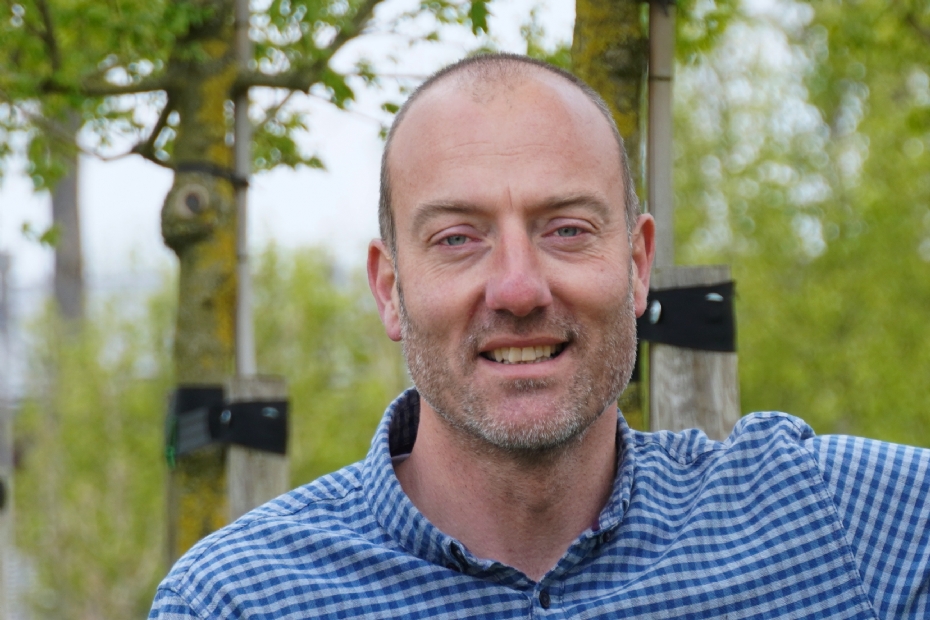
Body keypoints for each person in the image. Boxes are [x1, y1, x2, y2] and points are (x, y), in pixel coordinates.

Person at [149, 54, 930, 619]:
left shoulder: (825, 520)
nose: (519, 288)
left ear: (636, 265)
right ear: (390, 289)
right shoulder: (237, 599)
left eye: (566, 229)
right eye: (458, 238)